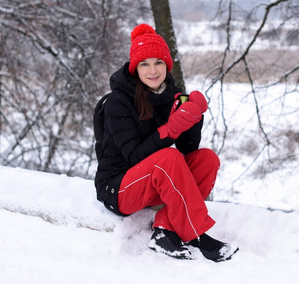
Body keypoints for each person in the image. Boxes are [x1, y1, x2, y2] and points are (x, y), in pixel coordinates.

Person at [94, 23, 238, 262]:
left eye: (158, 62)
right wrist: (171, 128)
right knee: (168, 159)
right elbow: (134, 157)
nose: (153, 70)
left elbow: (187, 150)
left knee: (206, 159)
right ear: (135, 68)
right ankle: (197, 234)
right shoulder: (118, 102)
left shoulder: (172, 95)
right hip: (118, 188)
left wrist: (193, 118)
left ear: (167, 65)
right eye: (145, 64)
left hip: (151, 184)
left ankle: (164, 231)